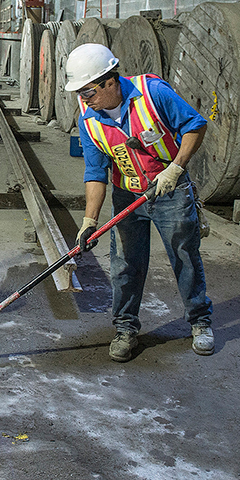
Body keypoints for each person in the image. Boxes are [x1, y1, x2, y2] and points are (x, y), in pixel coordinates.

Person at [65, 44, 213, 362]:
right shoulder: (89, 121)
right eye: (80, 93)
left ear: (109, 81)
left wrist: (176, 168)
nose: (84, 100)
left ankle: (200, 322)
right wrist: (89, 221)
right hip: (127, 195)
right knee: (125, 266)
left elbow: (195, 124)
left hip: (169, 191)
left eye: (88, 91)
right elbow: (95, 173)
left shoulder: (152, 93)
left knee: (184, 257)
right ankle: (125, 329)